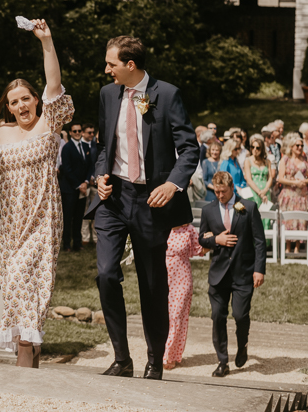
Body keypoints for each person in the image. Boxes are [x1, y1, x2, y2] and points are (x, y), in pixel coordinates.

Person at [83, 34, 199, 381]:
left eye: (111, 64)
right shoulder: (108, 94)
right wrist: (100, 175)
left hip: (151, 200)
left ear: (130, 65)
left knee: (152, 284)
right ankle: (121, 358)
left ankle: (154, 360)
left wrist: (171, 183)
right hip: (113, 199)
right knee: (105, 274)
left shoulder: (167, 94)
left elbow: (190, 148)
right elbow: (104, 145)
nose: (107, 70)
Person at [0, 18, 74, 369]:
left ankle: (20, 387)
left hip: (43, 217)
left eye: (25, 98)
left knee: (28, 287)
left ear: (36, 100)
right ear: (7, 107)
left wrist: (46, 41)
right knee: (23, 297)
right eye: (13, 101)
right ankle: (30, 373)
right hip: (10, 223)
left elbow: (54, 83)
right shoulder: (0, 134)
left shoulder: (49, 122)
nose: (20, 105)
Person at [198, 171, 266, 378]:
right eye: (216, 192)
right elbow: (201, 238)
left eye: (223, 191)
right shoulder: (208, 210)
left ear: (232, 188)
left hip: (243, 272)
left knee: (240, 315)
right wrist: (215, 240)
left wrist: (259, 269)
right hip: (218, 273)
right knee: (218, 316)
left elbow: (260, 241)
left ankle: (242, 344)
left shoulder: (248, 207)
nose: (219, 195)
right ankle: (222, 361)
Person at [163, 223, 206, 370]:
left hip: (181, 277)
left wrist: (213, 239)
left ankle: (170, 354)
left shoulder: (189, 229)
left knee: (176, 315)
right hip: (161, 275)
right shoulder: (161, 225)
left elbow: (199, 250)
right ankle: (159, 351)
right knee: (162, 315)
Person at [277, 132, 308, 254]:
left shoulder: (306, 159)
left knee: (300, 221)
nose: (299, 147)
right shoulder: (285, 160)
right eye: (297, 145)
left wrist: (305, 181)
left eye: (301, 145)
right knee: (289, 220)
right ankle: (288, 247)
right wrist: (294, 183)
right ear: (291, 147)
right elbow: (280, 178)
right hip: (289, 194)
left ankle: (297, 247)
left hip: (302, 195)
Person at [60, 122, 91, 252]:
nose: (77, 133)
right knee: (68, 218)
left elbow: (89, 166)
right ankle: (66, 244)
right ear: (71, 133)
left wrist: (86, 182)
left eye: (79, 131)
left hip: (82, 187)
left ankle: (77, 244)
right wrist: (78, 185)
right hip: (69, 189)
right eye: (75, 131)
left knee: (79, 217)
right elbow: (66, 169)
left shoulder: (85, 146)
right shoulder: (67, 148)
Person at [243, 137, 273, 213]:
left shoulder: (267, 161)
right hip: (254, 191)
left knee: (266, 217)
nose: (254, 149)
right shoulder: (248, 161)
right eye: (252, 147)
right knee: (255, 215)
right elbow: (249, 179)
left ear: (262, 149)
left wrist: (265, 190)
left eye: (257, 148)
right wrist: (260, 193)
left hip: (265, 190)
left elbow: (270, 178)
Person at [81, 124, 99, 244]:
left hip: (95, 183)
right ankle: (85, 237)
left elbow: (96, 163)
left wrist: (93, 178)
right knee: (84, 211)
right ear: (83, 133)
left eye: (93, 132)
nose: (91, 135)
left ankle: (96, 237)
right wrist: (85, 181)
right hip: (83, 184)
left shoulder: (94, 145)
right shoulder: (79, 145)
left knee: (97, 212)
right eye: (89, 133)